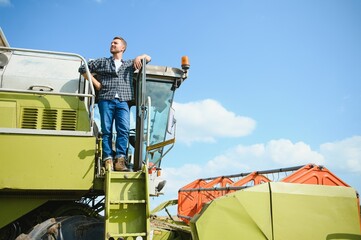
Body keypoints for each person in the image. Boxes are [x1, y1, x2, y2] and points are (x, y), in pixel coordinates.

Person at [79, 36, 151, 171]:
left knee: (123, 130)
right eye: (111, 43)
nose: (112, 44)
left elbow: (148, 58)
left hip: (123, 101)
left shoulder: (130, 64)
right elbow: (83, 68)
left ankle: (120, 160)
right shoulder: (102, 62)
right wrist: (97, 84)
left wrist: (139, 56)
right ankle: (108, 159)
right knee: (106, 130)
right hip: (106, 99)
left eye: (115, 43)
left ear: (122, 48)